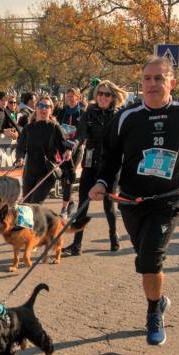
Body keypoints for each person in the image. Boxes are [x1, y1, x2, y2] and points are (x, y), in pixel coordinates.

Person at [89, 56, 179, 346]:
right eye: (147, 79)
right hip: (131, 200)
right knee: (145, 259)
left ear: (171, 82)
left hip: (167, 200)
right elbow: (110, 155)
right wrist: (101, 182)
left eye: (159, 78)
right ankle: (159, 299)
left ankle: (153, 314)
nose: (152, 84)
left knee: (150, 258)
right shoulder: (127, 117)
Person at [61, 80, 126, 256]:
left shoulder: (119, 115)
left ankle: (113, 236)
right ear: (96, 95)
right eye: (100, 93)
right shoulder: (89, 112)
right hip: (90, 163)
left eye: (107, 94)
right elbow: (80, 135)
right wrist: (71, 147)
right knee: (83, 204)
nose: (103, 97)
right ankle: (77, 244)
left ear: (113, 97)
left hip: (110, 166)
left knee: (108, 206)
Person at [14, 95, 70, 204]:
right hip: (29, 172)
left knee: (35, 204)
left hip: (47, 172)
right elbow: (20, 147)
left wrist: (70, 175)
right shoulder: (28, 128)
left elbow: (65, 150)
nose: (43, 108)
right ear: (36, 108)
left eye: (47, 106)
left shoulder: (54, 127)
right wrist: (19, 158)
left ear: (51, 110)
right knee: (26, 205)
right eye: (41, 105)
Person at [55, 87, 84, 218]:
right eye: (68, 96)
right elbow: (56, 129)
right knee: (62, 177)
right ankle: (70, 201)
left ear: (78, 97)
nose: (70, 99)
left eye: (72, 96)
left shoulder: (82, 113)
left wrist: (73, 142)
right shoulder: (61, 112)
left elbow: (83, 134)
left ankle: (64, 209)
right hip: (61, 150)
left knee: (68, 177)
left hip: (76, 150)